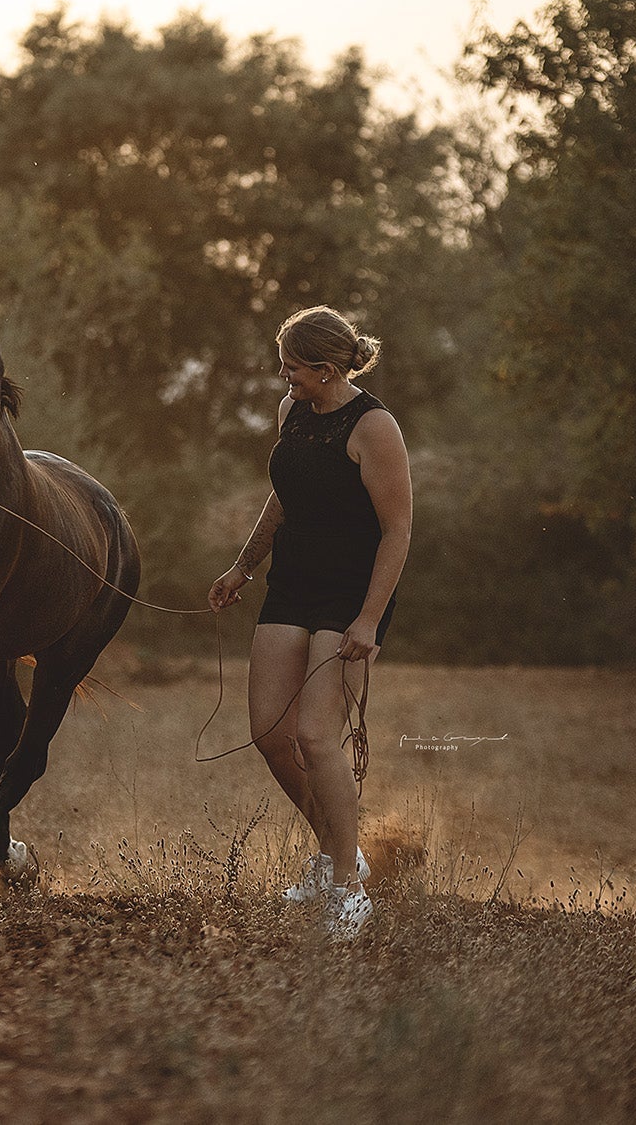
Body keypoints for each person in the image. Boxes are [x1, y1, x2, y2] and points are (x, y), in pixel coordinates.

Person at [209, 306, 412, 940]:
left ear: (326, 371)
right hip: (291, 583)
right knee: (270, 731)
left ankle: (350, 890)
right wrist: (244, 565)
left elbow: (398, 530)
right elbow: (285, 495)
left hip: (350, 597)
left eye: (293, 369)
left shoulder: (374, 427)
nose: (283, 378)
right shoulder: (291, 413)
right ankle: (332, 849)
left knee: (319, 738)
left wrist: (369, 620)